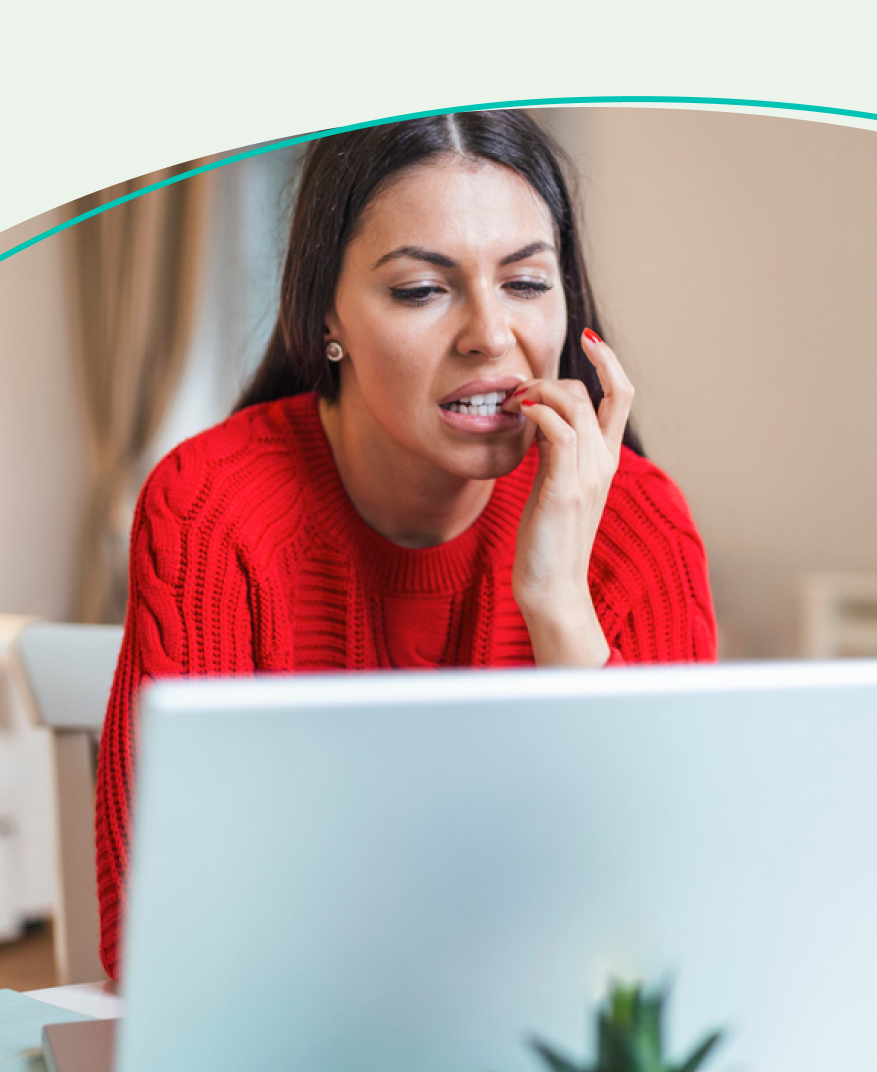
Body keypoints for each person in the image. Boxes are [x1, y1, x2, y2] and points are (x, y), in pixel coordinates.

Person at [93, 110, 717, 978]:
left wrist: (558, 608)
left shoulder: (637, 524)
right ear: (326, 317)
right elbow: (155, 929)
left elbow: (669, 927)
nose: (490, 336)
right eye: (423, 291)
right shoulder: (214, 510)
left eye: (527, 284)